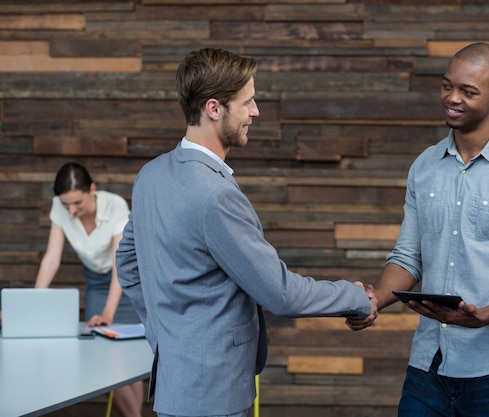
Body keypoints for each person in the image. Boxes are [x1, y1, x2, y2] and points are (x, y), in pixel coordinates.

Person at [115, 47, 377, 417]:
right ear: (213, 109)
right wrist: (355, 297)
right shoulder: (216, 195)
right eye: (248, 102)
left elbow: (127, 264)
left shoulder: (151, 176)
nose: (256, 112)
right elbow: (280, 293)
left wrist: (165, 333)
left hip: (174, 391)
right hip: (214, 398)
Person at [346, 42, 489, 416]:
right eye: (447, 86)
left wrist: (485, 315)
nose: (452, 98)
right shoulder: (425, 166)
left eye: (468, 91)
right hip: (427, 364)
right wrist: (372, 302)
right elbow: (408, 257)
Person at [34, 162, 144, 417]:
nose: (71, 211)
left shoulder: (115, 205)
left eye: (78, 204)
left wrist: (108, 313)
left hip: (127, 280)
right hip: (96, 283)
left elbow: (121, 262)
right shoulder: (60, 209)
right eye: (65, 205)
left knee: (127, 357)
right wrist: (35, 301)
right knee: (105, 356)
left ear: (92, 189)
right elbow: (52, 259)